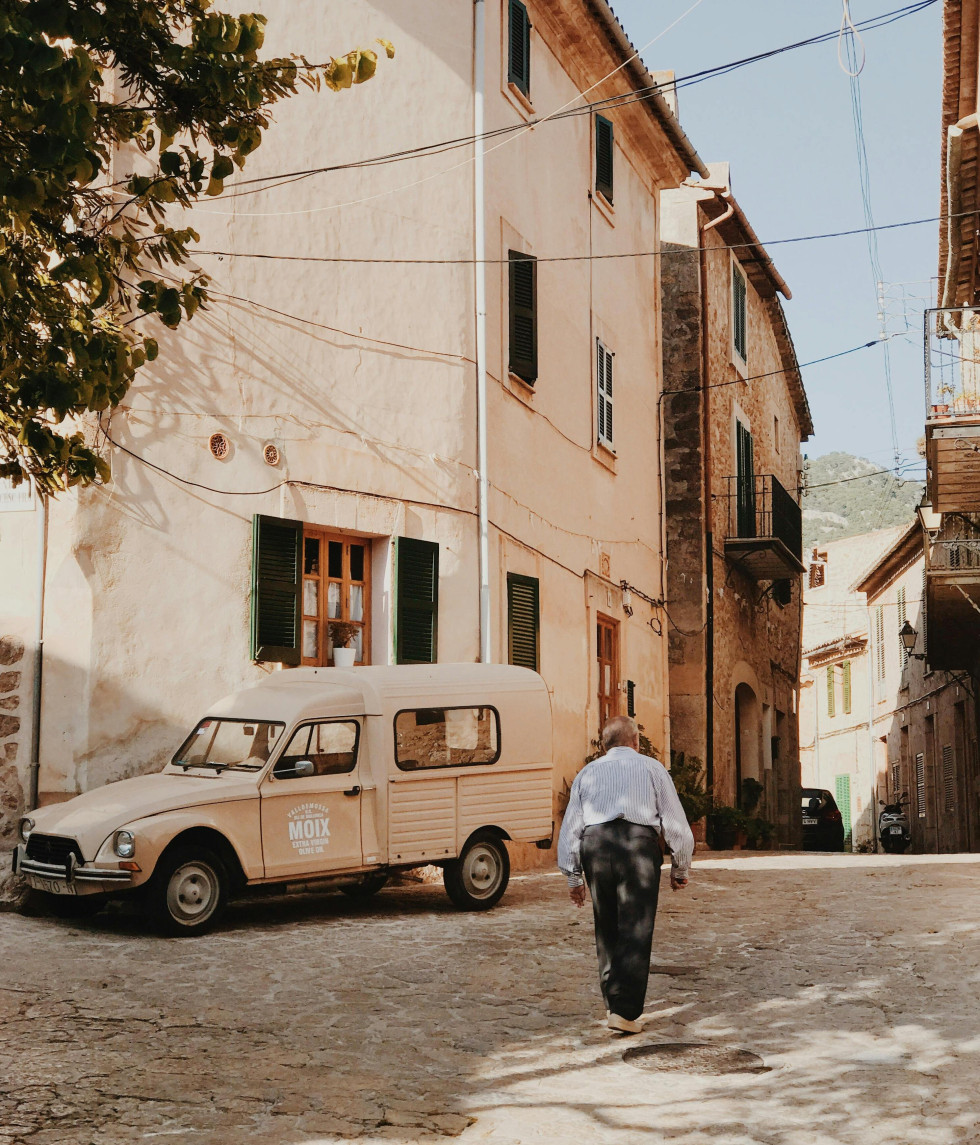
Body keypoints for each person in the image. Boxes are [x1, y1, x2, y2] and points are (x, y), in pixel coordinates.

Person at [557, 715, 694, 1034]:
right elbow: (676, 823)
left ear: (605, 745)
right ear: (634, 741)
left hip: (597, 846)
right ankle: (625, 1010)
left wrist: (573, 877)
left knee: (606, 923)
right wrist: (680, 866)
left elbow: (570, 829)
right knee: (636, 925)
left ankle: (613, 1003)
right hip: (637, 847)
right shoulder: (652, 768)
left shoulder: (587, 773)